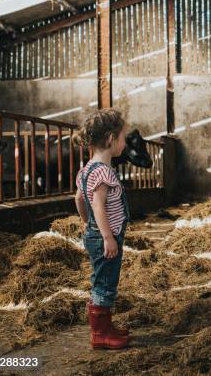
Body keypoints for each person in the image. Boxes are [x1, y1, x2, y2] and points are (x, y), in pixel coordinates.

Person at [74, 109, 131, 350]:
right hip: (106, 238)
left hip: (95, 234)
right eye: (123, 138)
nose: (125, 143)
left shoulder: (87, 169)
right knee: (105, 283)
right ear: (110, 139)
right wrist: (107, 236)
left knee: (102, 279)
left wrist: (88, 224)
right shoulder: (105, 172)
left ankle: (105, 328)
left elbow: (79, 199)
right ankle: (100, 334)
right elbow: (98, 205)